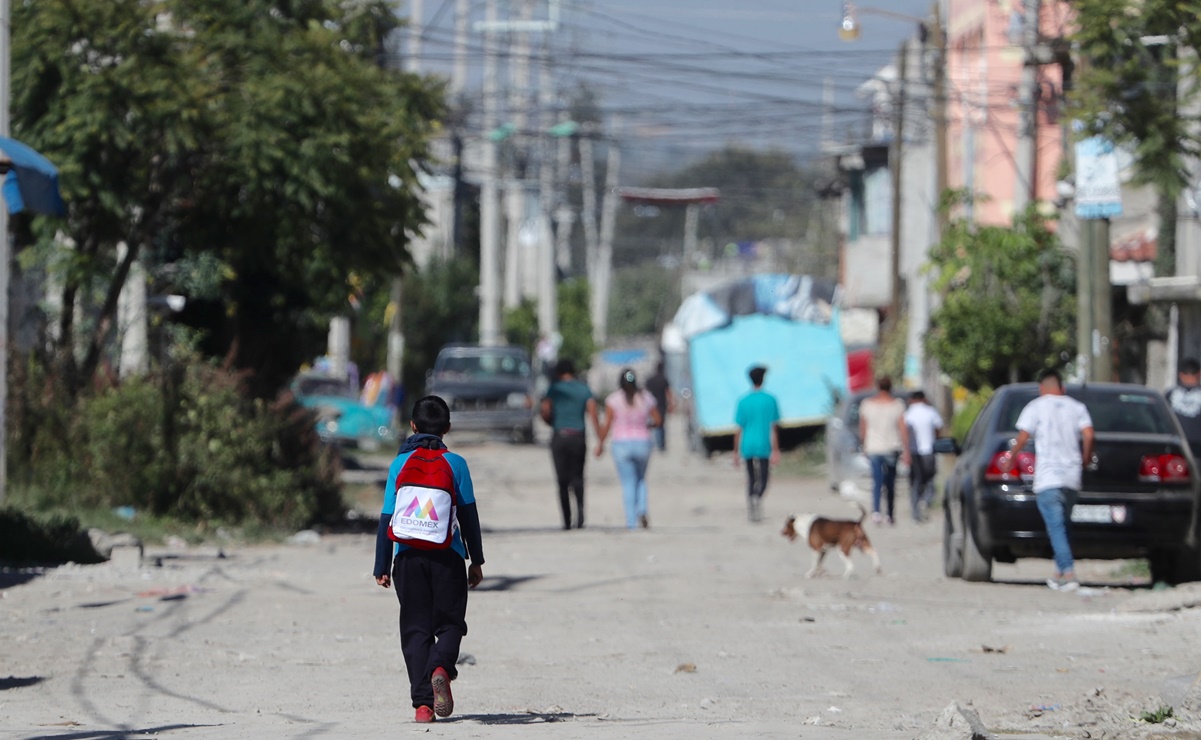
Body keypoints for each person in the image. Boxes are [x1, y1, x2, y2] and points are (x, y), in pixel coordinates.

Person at [374, 396, 485, 723]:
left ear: (412, 426)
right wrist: (476, 560)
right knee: (450, 623)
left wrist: (381, 565)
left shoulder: (399, 464)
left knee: (415, 629)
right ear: (447, 428)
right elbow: (468, 516)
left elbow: (386, 518)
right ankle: (441, 666)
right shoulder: (456, 464)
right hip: (447, 558)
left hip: (407, 559)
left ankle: (423, 706)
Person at [1003, 368, 1094, 591]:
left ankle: (1069, 572)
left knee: (1055, 526)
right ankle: (1059, 572)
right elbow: (1089, 434)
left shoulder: (1035, 407)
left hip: (1048, 477)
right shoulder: (1077, 407)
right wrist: (1085, 458)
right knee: (1063, 525)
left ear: (1041, 389)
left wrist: (1011, 458)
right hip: (1072, 476)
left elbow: (1023, 436)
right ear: (1061, 388)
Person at [595, 368, 661, 529]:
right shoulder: (645, 398)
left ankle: (631, 522)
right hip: (642, 441)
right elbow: (658, 420)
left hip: (621, 443)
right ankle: (643, 509)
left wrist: (600, 444)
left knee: (628, 483)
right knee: (641, 480)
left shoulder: (614, 400)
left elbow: (607, 424)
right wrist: (647, 425)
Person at [540, 359, 601, 530]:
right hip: (578, 437)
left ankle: (566, 520)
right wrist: (600, 439)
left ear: (559, 372)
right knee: (578, 478)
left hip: (559, 437)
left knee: (562, 481)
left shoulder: (555, 389)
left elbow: (545, 410)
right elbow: (593, 414)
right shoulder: (584, 389)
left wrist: (550, 421)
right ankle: (580, 516)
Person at [733, 365, 781, 523]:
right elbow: (773, 428)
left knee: (751, 477)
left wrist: (735, 451)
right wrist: (776, 449)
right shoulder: (770, 399)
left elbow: (738, 429)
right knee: (764, 478)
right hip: (763, 443)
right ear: (763, 379)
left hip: (747, 444)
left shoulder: (743, 401)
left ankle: (751, 506)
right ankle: (757, 496)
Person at [859, 376, 909, 525]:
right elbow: (902, 428)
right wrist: (906, 449)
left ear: (877, 386)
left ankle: (876, 512)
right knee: (890, 482)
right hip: (891, 447)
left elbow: (863, 428)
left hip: (874, 447)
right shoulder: (897, 405)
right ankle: (890, 513)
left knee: (877, 480)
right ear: (891, 387)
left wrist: (864, 444)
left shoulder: (867, 405)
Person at [904, 390, 944, 522]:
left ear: (912, 399)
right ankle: (926, 500)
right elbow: (938, 428)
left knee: (915, 482)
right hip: (928, 451)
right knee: (930, 480)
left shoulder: (908, 413)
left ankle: (915, 511)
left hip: (914, 452)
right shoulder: (930, 411)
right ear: (923, 398)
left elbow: (904, 432)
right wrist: (936, 440)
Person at [1165, 358, 1201, 457]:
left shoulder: (1170, 394)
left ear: (1180, 374)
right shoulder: (1170, 394)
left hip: (1175, 441)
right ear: (1199, 374)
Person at [644, 360, 676, 452]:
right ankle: (661, 444)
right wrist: (671, 404)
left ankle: (653, 443)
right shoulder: (663, 379)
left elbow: (645, 394)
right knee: (661, 425)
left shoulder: (650, 380)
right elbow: (668, 393)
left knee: (653, 424)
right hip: (661, 404)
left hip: (651, 406)